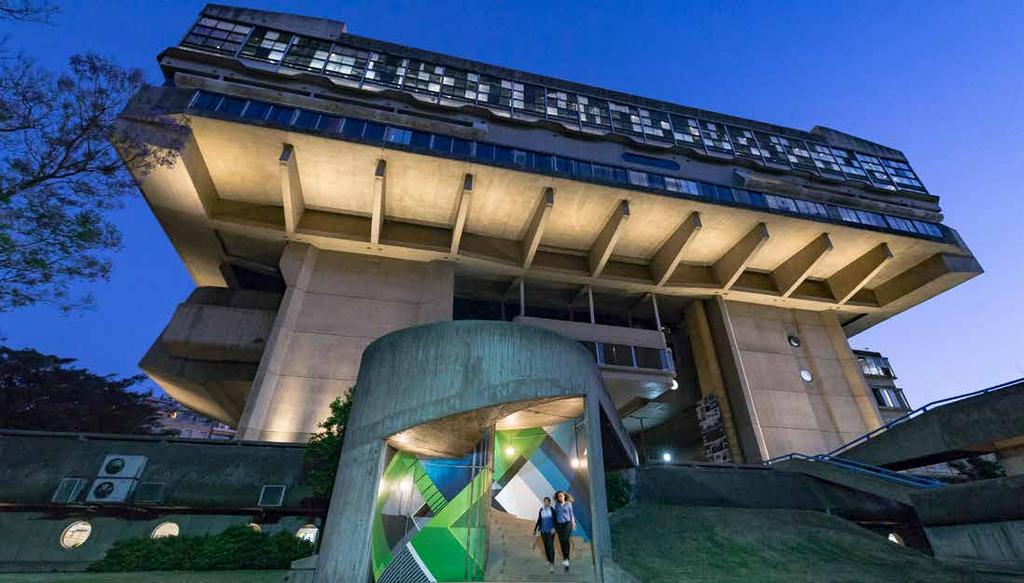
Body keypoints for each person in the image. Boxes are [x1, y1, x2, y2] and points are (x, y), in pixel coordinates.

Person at [552, 490, 576, 572]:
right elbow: (555, 516)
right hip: (559, 525)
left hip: (567, 524)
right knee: (562, 542)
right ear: (557, 497)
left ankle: (567, 559)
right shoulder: (556, 505)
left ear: (564, 496)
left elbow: (571, 514)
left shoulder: (568, 504)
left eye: (561, 495)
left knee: (566, 540)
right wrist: (554, 526)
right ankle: (565, 558)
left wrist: (573, 523)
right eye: (559, 496)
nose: (560, 497)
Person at [532, 496, 556, 573]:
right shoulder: (541, 510)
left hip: (550, 531)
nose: (545, 503)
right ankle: (548, 560)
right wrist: (535, 529)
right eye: (544, 501)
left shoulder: (552, 510)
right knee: (546, 546)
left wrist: (554, 528)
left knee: (550, 546)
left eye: (547, 501)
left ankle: (552, 565)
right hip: (543, 531)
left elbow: (556, 520)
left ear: (549, 502)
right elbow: (539, 520)